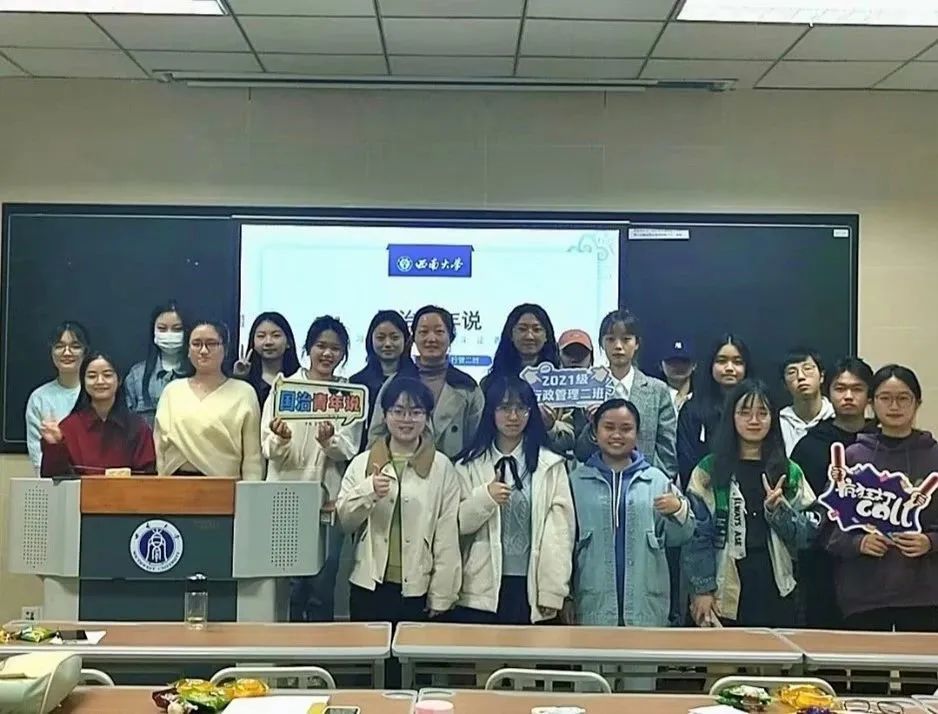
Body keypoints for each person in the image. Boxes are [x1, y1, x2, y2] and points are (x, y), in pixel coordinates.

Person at [337, 377, 461, 685]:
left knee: (415, 676)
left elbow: (447, 534)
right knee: (370, 676)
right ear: (385, 414)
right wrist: (368, 491)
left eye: (416, 412)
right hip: (369, 587)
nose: (407, 419)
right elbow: (344, 521)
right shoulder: (363, 463)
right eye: (398, 411)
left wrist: (442, 594)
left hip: (418, 589)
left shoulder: (442, 467)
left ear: (427, 417)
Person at [685, 379, 817, 628]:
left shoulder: (789, 472)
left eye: (762, 413)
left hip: (776, 582)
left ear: (773, 418)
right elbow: (696, 535)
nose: (754, 420)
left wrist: (779, 512)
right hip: (724, 582)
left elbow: (808, 535)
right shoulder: (709, 470)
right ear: (731, 417)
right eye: (745, 412)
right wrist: (702, 588)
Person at [826, 365, 938, 634]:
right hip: (864, 597)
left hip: (925, 596)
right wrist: (858, 542)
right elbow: (827, 528)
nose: (894, 406)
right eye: (885, 398)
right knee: (868, 663)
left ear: (917, 403)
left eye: (903, 398)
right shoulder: (851, 458)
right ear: (872, 403)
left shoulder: (934, 456)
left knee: (921, 663)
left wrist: (930, 541)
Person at [454, 375, 574, 624]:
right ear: (491, 411)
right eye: (504, 408)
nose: (513, 416)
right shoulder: (468, 465)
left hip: (532, 588)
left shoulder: (550, 465)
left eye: (521, 408)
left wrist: (553, 591)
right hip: (479, 589)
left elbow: (560, 534)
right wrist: (486, 498)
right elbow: (456, 526)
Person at [570, 399, 693, 627]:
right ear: (595, 432)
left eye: (626, 428)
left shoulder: (656, 480)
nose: (617, 435)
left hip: (647, 608)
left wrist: (678, 509)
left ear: (637, 434)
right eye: (609, 427)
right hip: (592, 606)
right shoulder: (577, 481)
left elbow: (681, 537)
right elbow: (564, 546)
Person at [263, 315, 351, 622]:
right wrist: (282, 438)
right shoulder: (285, 388)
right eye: (320, 346)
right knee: (286, 588)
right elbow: (267, 446)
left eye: (335, 348)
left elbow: (349, 449)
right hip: (283, 498)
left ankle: (321, 652)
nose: (327, 354)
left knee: (322, 587)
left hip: (328, 501)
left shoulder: (349, 395)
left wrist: (329, 442)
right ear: (308, 348)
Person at [791, 357, 874, 628]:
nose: (848, 396)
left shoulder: (882, 441)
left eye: (857, 389)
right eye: (840, 388)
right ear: (829, 392)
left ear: (869, 395)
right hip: (822, 563)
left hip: (875, 563)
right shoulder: (810, 445)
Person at [368, 305, 483, 460]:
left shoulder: (467, 387)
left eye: (439, 332)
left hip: (454, 471)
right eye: (423, 332)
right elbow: (376, 439)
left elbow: (476, 445)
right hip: (401, 471)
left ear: (451, 337)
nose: (431, 339)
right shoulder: (394, 383)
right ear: (413, 338)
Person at [154, 320, 263, 480]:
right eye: (196, 344)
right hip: (175, 483)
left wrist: (250, 491)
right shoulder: (172, 391)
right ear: (188, 350)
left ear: (225, 349)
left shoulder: (244, 392)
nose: (203, 351)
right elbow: (159, 447)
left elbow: (252, 458)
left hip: (225, 486)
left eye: (211, 344)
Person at [575, 310, 677, 479]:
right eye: (610, 339)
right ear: (601, 344)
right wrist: (593, 428)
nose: (618, 346)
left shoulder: (657, 390)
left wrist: (653, 481)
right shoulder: (588, 388)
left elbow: (667, 451)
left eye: (626, 339)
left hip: (646, 481)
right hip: (598, 480)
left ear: (637, 343)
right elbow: (580, 452)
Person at [40, 352, 155, 477]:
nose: (100, 381)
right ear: (83, 381)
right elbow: (54, 479)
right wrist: (54, 445)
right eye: (92, 376)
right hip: (81, 490)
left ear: (119, 380)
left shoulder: (138, 427)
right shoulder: (68, 428)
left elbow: (148, 476)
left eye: (107, 375)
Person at [677, 334, 751, 489]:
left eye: (737, 362)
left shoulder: (755, 409)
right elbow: (686, 462)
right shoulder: (692, 410)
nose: (729, 368)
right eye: (721, 361)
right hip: (704, 490)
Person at [25, 321, 90, 473]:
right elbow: (38, 457)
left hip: (94, 480)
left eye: (75, 346)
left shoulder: (96, 392)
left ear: (85, 351)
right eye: (59, 346)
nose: (67, 353)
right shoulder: (39, 398)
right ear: (52, 351)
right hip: (53, 480)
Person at [349, 310, 414, 450]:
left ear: (406, 340)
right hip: (362, 457)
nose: (388, 343)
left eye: (395, 337)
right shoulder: (356, 383)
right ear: (370, 340)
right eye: (380, 338)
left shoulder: (416, 380)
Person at [125, 301, 186, 426]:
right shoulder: (136, 376)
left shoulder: (199, 374)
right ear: (153, 331)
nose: (169, 334)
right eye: (162, 329)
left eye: (177, 329)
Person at [232, 312, 301, 407]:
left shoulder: (300, 379)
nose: (268, 342)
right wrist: (239, 379)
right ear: (253, 342)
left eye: (276, 335)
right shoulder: (245, 378)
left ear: (289, 342)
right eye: (261, 336)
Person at [779, 347, 835, 456]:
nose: (801, 377)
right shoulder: (778, 423)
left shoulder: (836, 417)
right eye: (792, 372)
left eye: (808, 369)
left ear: (821, 376)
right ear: (784, 384)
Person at [660, 339, 695, 414]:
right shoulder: (654, 398)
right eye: (672, 362)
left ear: (694, 365)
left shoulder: (704, 399)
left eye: (684, 361)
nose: (678, 366)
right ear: (661, 365)